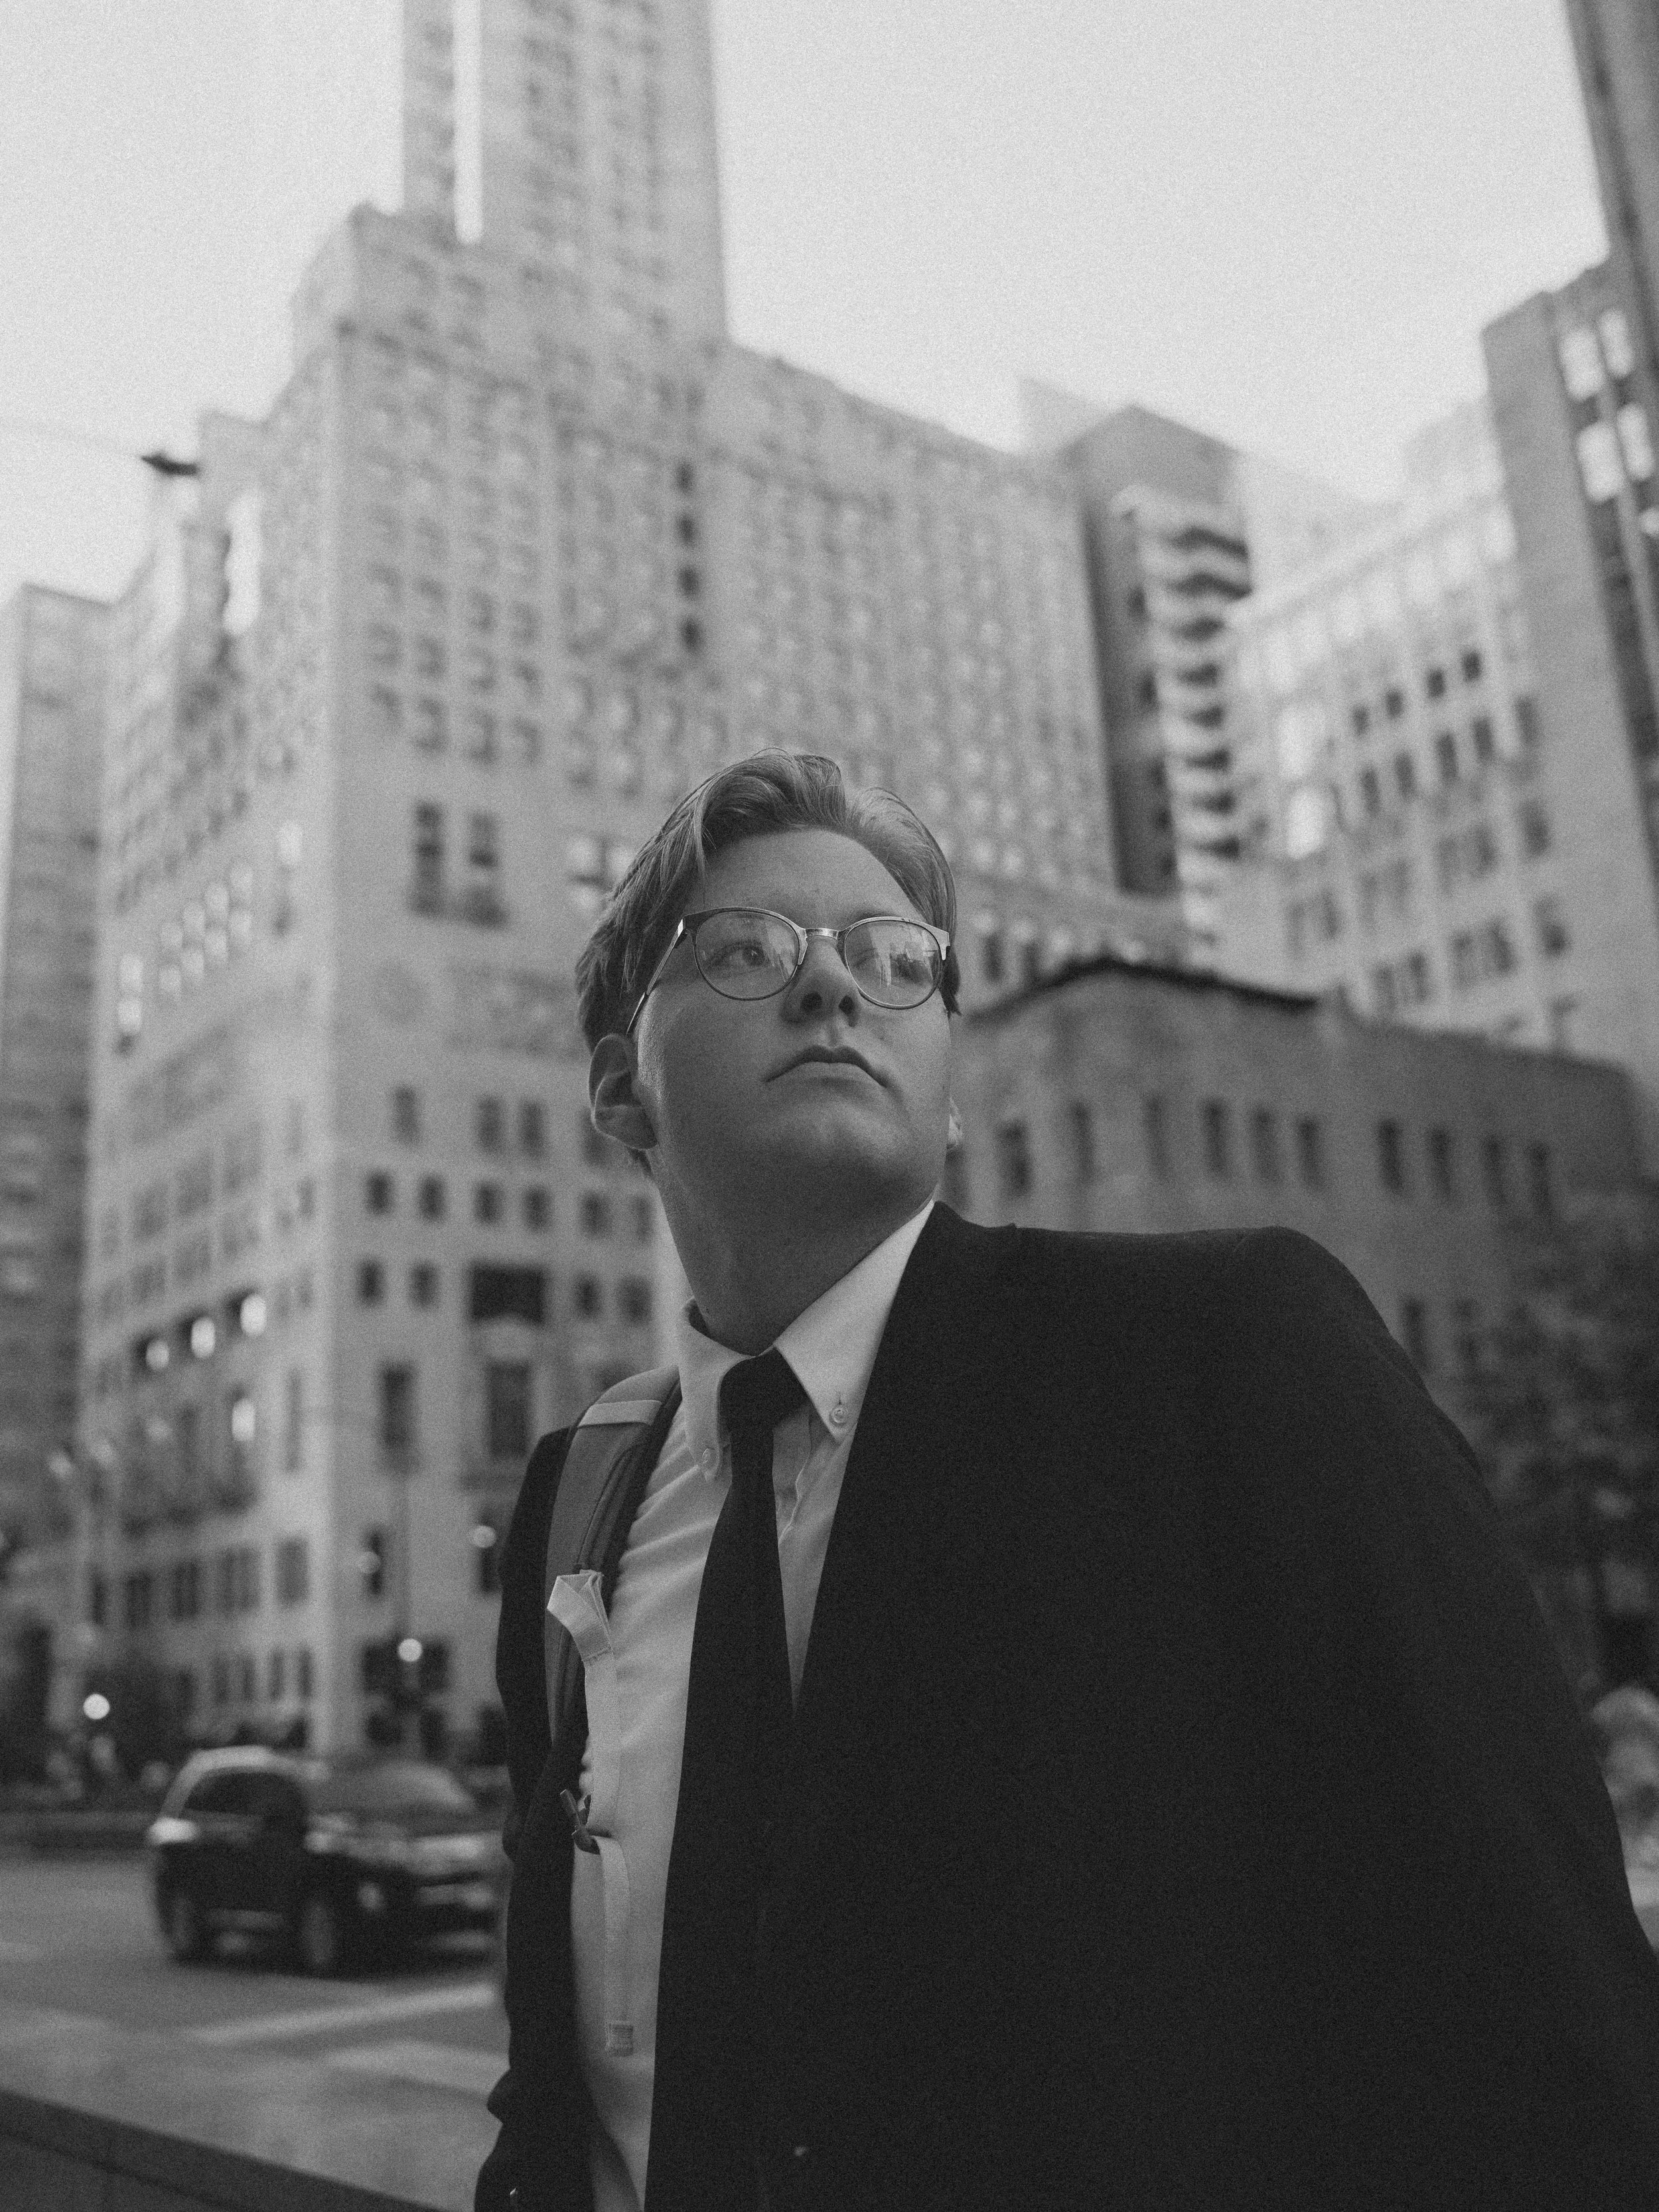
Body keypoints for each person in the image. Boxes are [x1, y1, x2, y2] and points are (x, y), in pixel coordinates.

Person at [478, 752, 1659, 2212]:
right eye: (744, 951)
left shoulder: (1222, 1360)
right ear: (619, 1088)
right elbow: (561, 2092)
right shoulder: (573, 1500)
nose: (834, 990)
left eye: (895, 961)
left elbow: (1543, 2033)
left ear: (950, 1088)